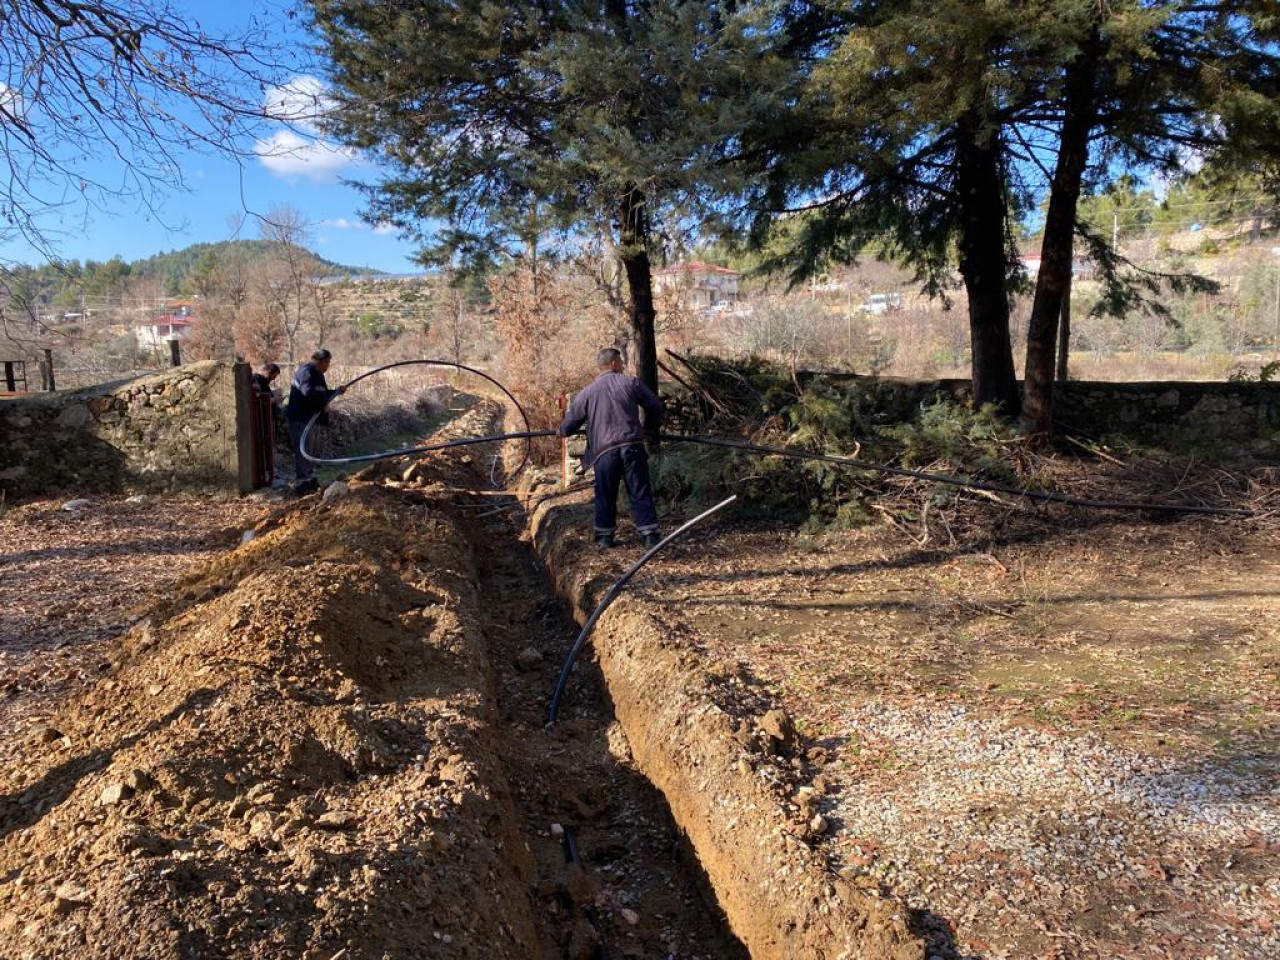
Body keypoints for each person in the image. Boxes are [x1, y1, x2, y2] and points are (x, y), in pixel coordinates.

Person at [558, 347, 663, 549]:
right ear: (614, 364)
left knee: (605, 493)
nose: (622, 366)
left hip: (604, 451)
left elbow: (570, 424)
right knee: (640, 490)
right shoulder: (630, 382)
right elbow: (655, 405)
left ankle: (605, 538)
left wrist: (560, 430)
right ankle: (650, 535)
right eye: (621, 363)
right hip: (632, 446)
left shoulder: (587, 393)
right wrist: (649, 429)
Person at [285, 349, 345, 494]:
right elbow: (308, 394)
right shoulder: (307, 372)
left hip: (311, 419)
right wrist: (322, 406)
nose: (328, 366)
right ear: (322, 361)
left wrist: (336, 391)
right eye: (328, 362)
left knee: (311, 450)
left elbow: (321, 393)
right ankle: (303, 483)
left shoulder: (317, 374)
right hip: (301, 419)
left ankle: (310, 479)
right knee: (304, 450)